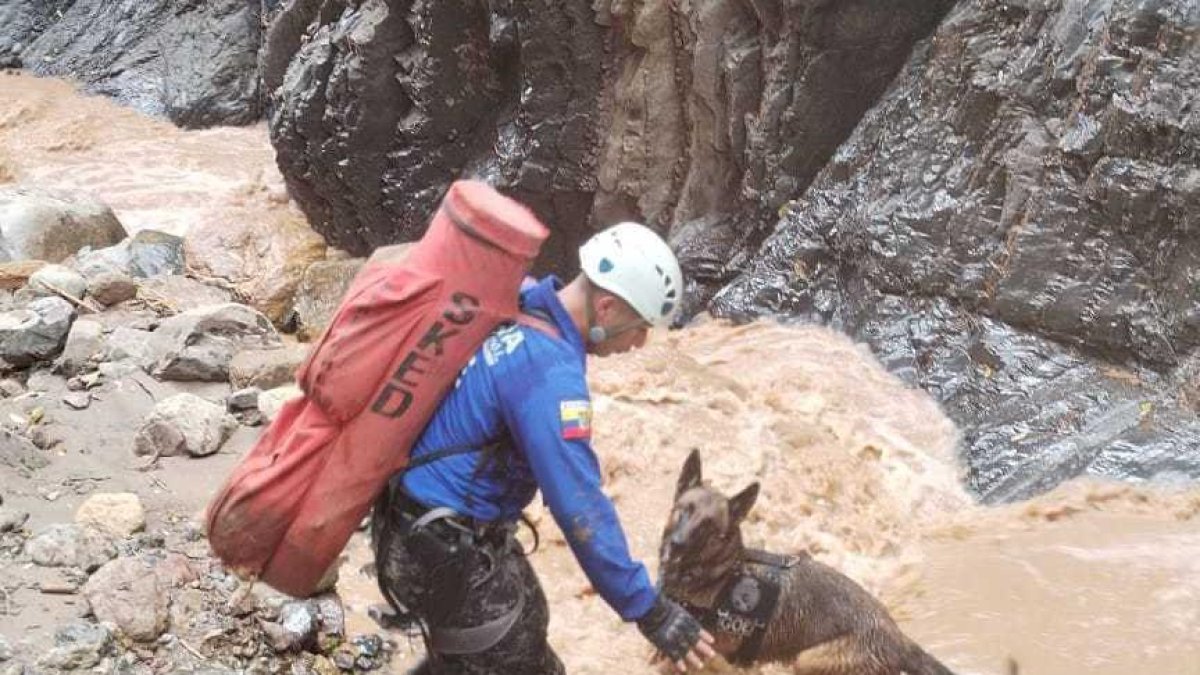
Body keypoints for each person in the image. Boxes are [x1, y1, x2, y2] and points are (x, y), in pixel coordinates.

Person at [371, 221, 716, 674]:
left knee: (522, 624)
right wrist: (649, 610)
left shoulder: (521, 300)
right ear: (607, 308)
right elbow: (580, 509)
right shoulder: (551, 380)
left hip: (414, 525)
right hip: (439, 549)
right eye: (640, 327)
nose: (641, 344)